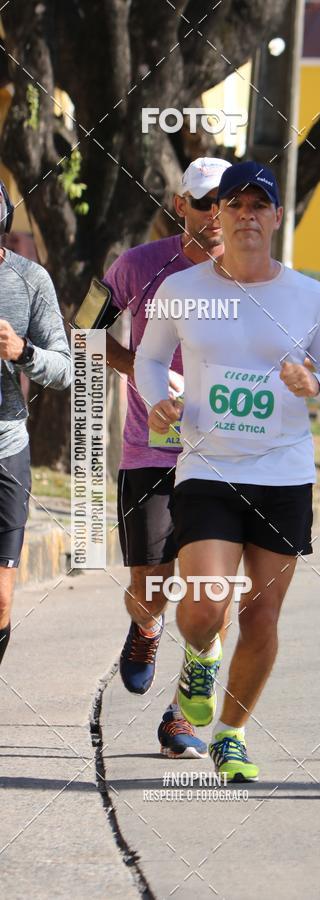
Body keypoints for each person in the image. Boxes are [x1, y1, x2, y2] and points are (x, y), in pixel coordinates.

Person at [135, 161, 320, 782]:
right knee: (207, 604)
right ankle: (200, 654)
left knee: (261, 616)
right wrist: (160, 400)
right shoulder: (183, 291)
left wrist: (313, 383)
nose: (247, 215)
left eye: (260, 205)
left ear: (277, 217)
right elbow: (151, 360)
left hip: (284, 473)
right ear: (217, 216)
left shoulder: (309, 297)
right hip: (207, 467)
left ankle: (230, 735)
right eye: (235, 205)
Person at [102, 157, 231, 759]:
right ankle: (147, 626)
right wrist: (147, 378)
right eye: (203, 202)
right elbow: (87, 327)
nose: (215, 214)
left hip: (226, 456)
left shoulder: (257, 278)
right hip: (150, 450)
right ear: (181, 204)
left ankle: (181, 715)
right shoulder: (137, 266)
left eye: (226, 202)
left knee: (212, 594)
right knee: (150, 588)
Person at [0, 180, 71, 666]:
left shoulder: (29, 280)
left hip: (5, 447)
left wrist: (22, 352)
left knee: (1, 598)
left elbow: (66, 367)